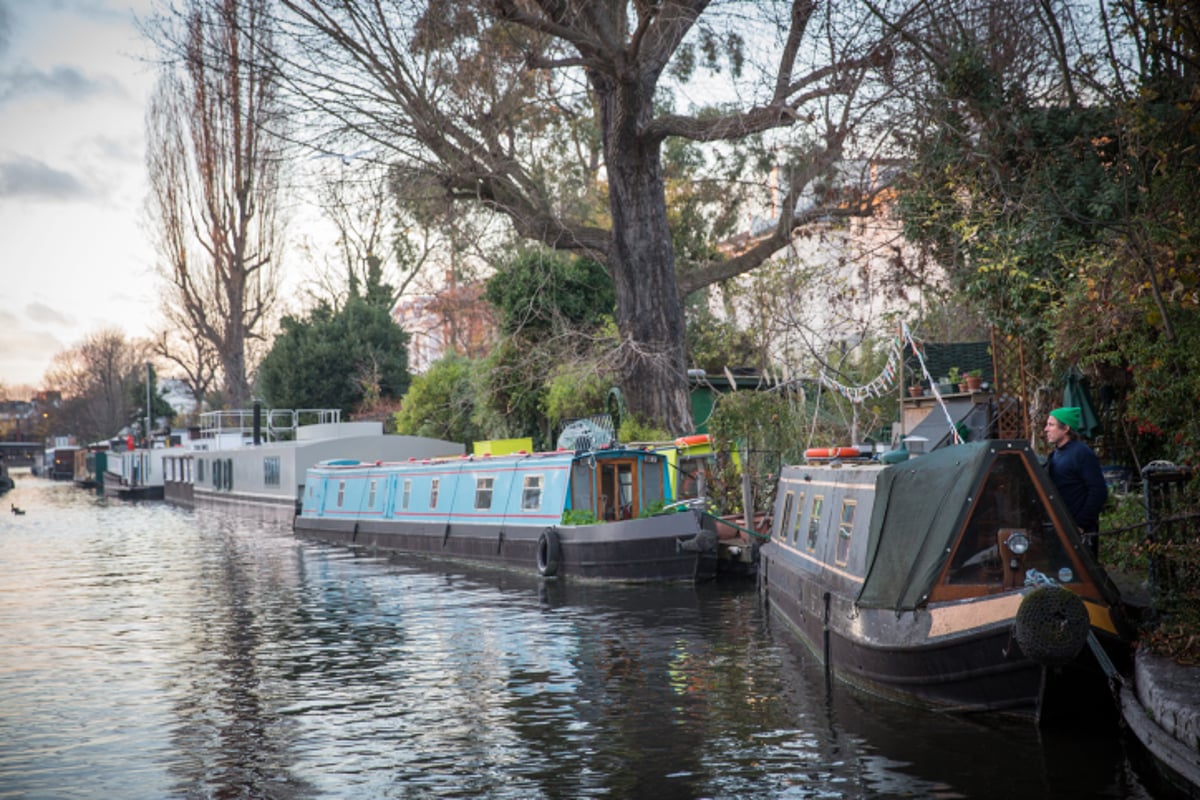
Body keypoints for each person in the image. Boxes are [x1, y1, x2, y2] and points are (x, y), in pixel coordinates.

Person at [1043, 406, 1107, 557]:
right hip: (1060, 528)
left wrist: (1080, 525)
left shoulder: (1082, 453)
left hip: (1078, 533)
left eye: (1051, 425)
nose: (1046, 429)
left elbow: (1098, 492)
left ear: (1065, 428)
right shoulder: (1055, 455)